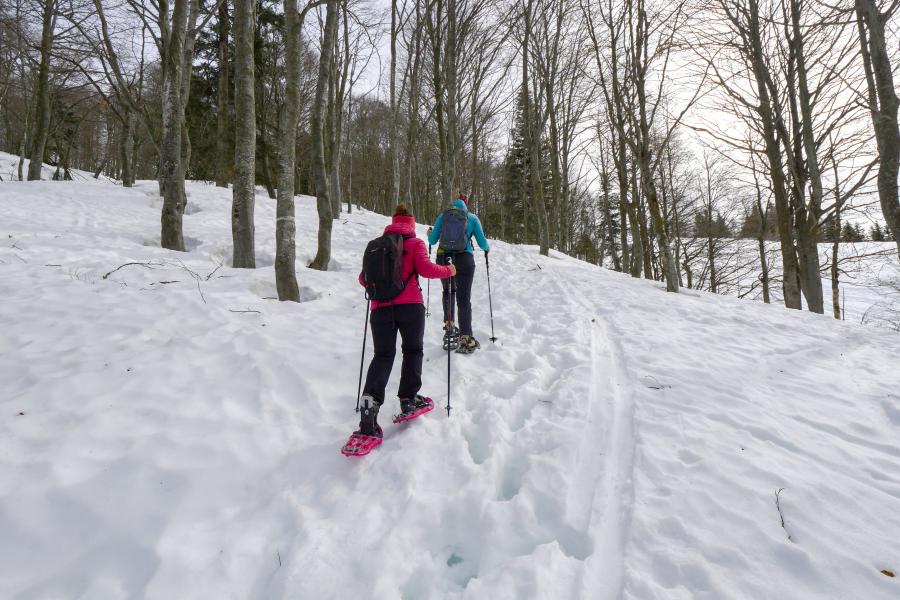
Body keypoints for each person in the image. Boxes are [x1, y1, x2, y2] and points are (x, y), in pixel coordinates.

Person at [355, 203, 456, 439]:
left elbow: (363, 279)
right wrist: (449, 271)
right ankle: (408, 399)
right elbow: (427, 269)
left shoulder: (376, 247)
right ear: (411, 223)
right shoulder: (415, 243)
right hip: (410, 307)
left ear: (392, 222)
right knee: (412, 351)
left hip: (380, 310)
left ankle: (370, 406)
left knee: (382, 356)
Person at [427, 193, 490, 353]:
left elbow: (433, 240)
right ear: (465, 204)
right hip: (464, 259)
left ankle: (449, 328)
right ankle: (466, 338)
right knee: (463, 298)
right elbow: (482, 242)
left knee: (448, 292)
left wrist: (430, 233)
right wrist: (487, 248)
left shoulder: (443, 216)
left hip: (443, 258)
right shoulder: (472, 218)